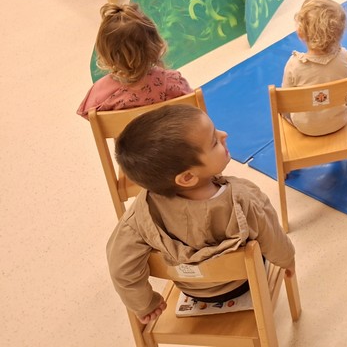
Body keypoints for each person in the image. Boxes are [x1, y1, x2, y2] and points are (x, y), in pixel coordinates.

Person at [106, 105, 296, 323]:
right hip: (241, 283)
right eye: (214, 141)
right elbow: (273, 238)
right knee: (257, 244)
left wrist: (145, 305)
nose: (224, 135)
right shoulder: (245, 197)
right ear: (187, 177)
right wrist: (287, 260)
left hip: (192, 289)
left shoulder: (140, 213)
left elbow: (121, 267)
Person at [77, 3, 191, 118]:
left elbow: (88, 115)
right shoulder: (172, 81)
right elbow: (192, 105)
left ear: (105, 53)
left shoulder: (101, 94)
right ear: (155, 44)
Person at [282, 0, 347, 136]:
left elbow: (285, 102)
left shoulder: (294, 65)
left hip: (305, 127)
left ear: (300, 33)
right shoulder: (345, 56)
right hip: (339, 121)